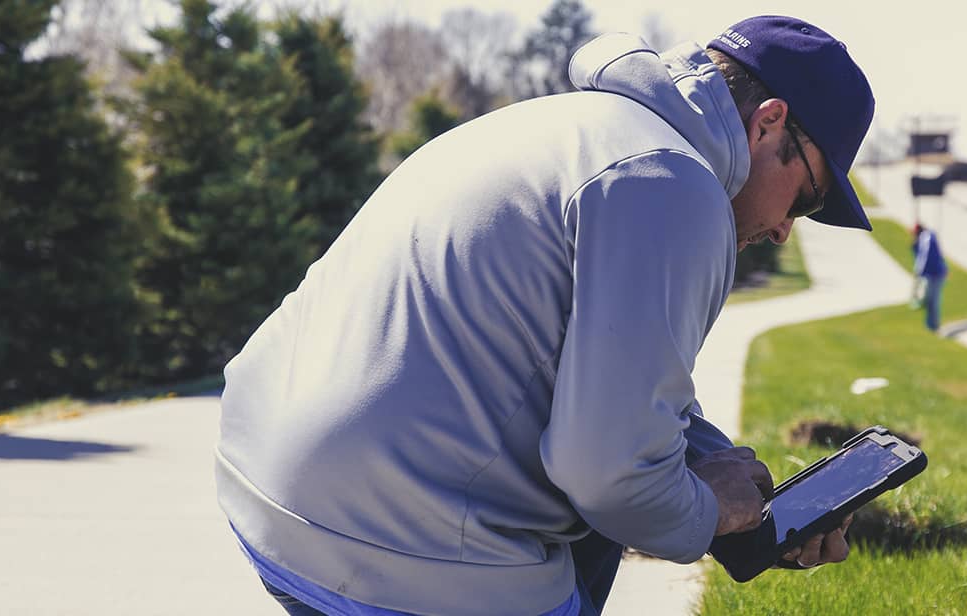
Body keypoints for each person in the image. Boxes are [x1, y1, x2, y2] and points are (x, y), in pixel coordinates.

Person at [214, 15, 876, 616]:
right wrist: (716, 514)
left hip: (269, 489)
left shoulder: (574, 125)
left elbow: (592, 376)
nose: (788, 229)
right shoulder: (674, 186)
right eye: (809, 197)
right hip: (392, 545)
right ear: (767, 121)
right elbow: (611, 479)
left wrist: (716, 464)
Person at [913, 225, 948, 331]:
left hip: (934, 274)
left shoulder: (926, 237)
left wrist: (918, 271)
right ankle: (931, 325)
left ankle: (933, 326)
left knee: (933, 300)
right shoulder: (929, 236)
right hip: (934, 273)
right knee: (931, 300)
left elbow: (924, 256)